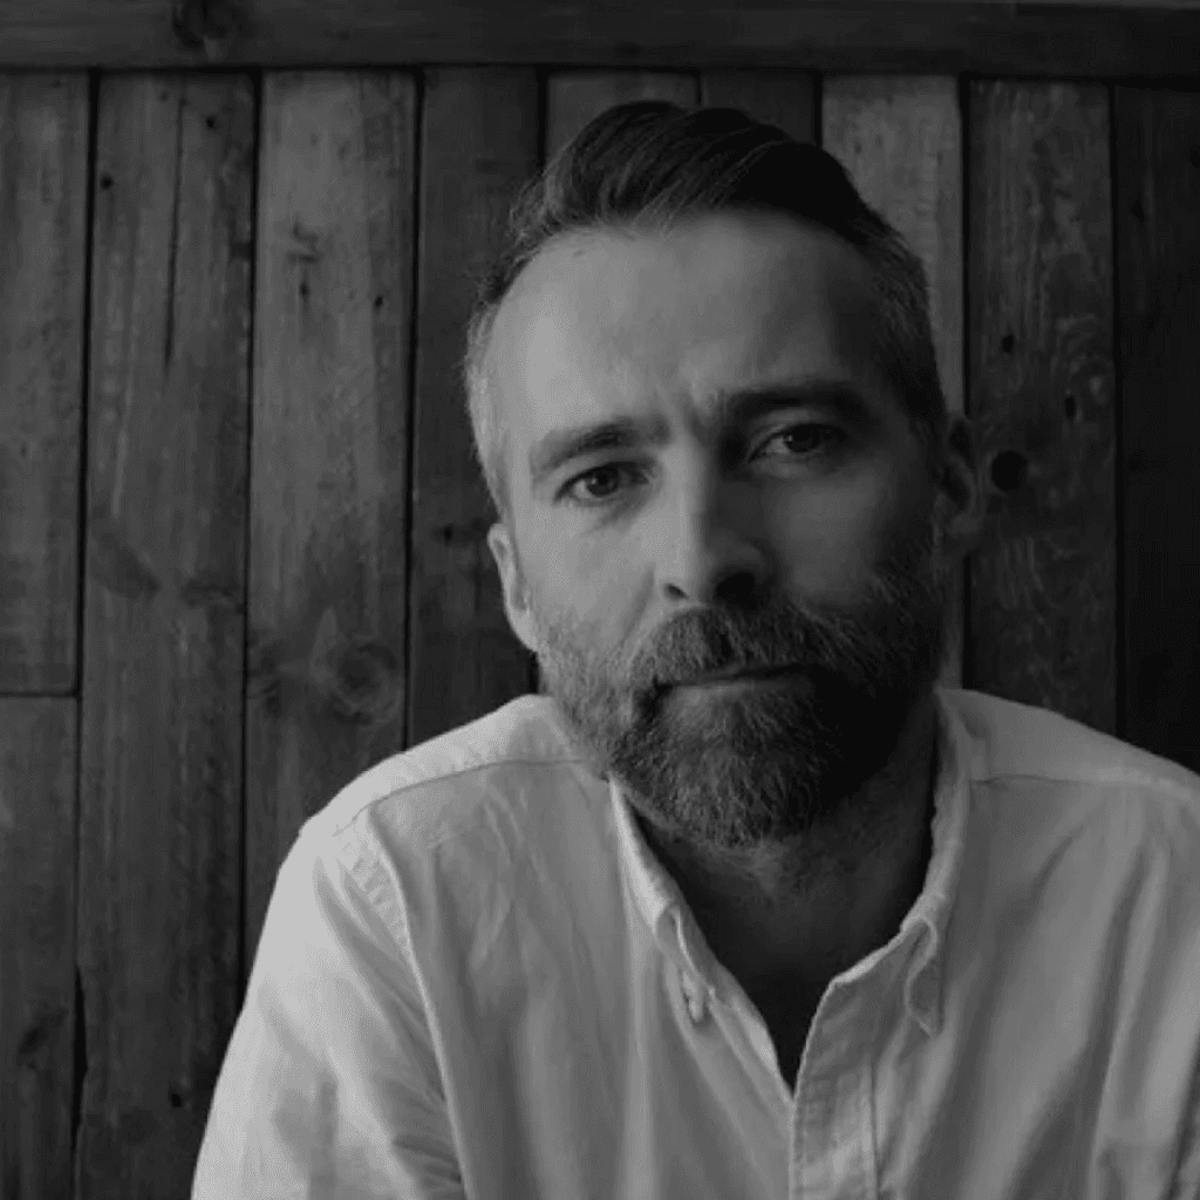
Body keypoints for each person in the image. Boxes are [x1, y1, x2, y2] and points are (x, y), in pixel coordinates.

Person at [192, 102, 1200, 1198]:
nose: (704, 560)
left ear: (949, 488)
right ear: (516, 583)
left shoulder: (1171, 893)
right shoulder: (395, 903)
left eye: (794, 440)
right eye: (602, 478)